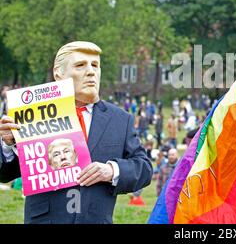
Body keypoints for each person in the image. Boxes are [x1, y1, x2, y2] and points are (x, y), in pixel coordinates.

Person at [0, 41, 152, 224]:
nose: (91, 72)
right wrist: (8, 145)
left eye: (95, 65)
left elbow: (144, 168)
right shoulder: (33, 114)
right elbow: (5, 174)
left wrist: (111, 170)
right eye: (80, 65)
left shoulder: (120, 119)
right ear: (59, 73)